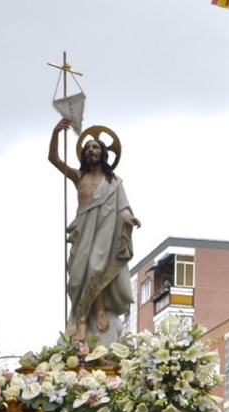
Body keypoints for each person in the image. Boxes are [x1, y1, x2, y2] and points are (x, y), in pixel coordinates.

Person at [49, 118, 141, 344]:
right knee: (78, 275)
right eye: (88, 148)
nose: (91, 150)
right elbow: (53, 159)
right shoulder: (79, 177)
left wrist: (129, 220)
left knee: (95, 267)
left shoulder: (114, 182)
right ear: (84, 154)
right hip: (83, 232)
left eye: (96, 147)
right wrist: (55, 134)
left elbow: (123, 208)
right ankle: (81, 317)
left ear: (103, 153)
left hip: (104, 232)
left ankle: (89, 316)